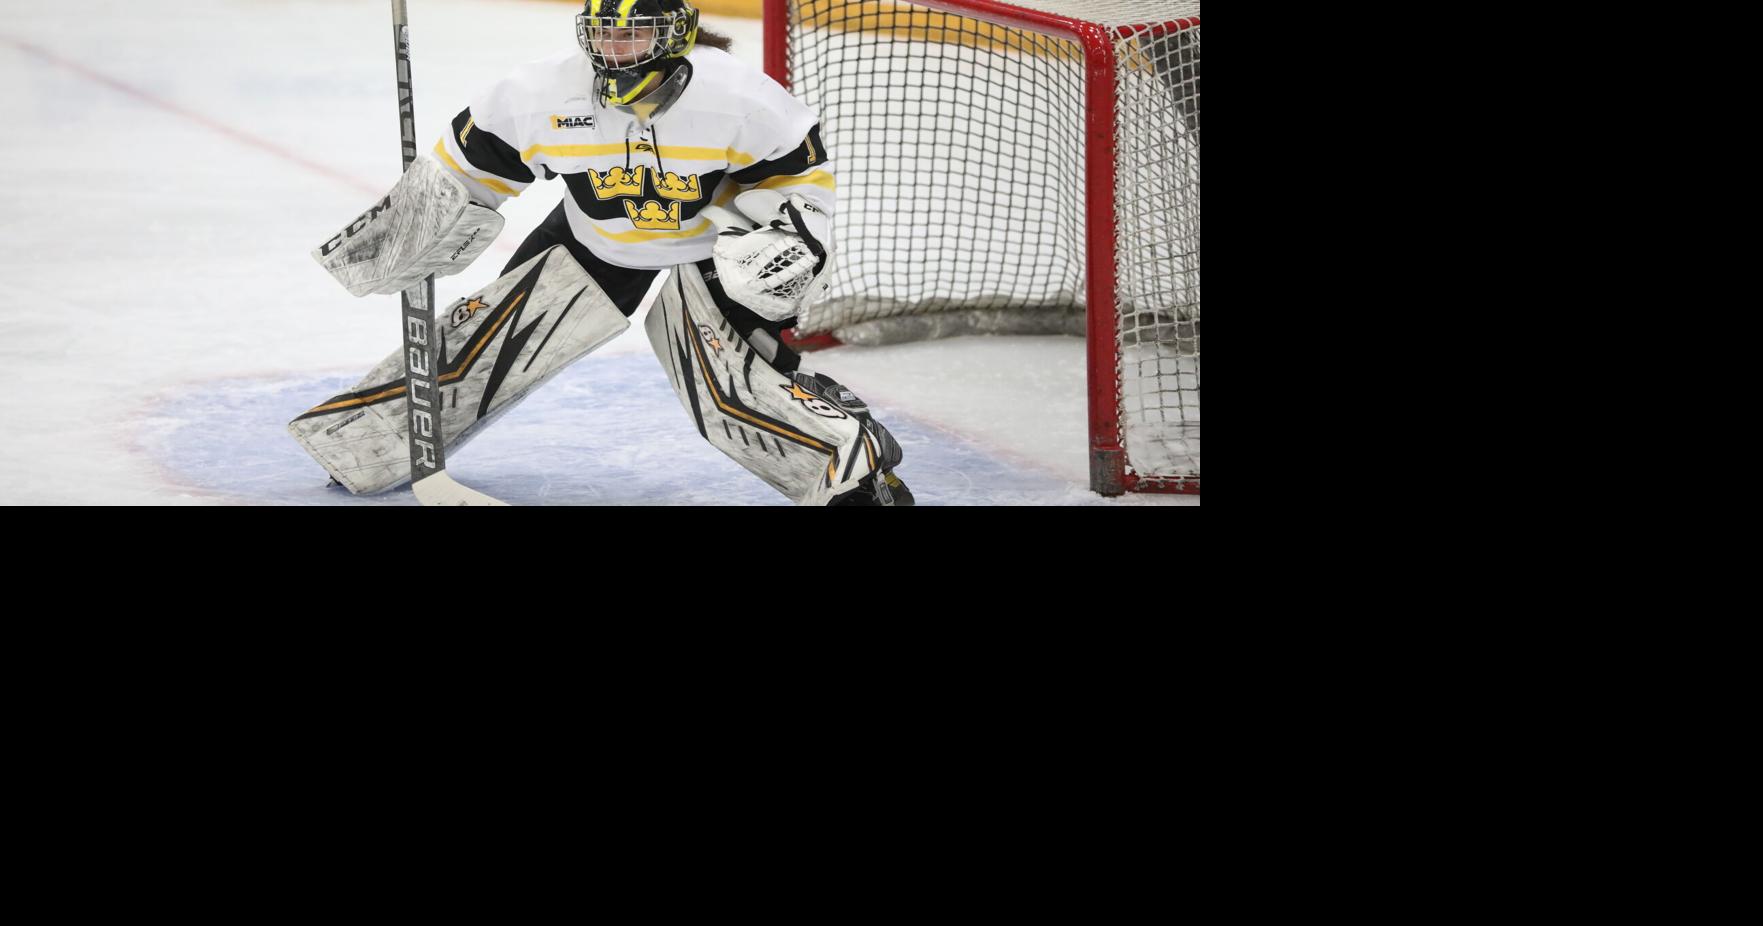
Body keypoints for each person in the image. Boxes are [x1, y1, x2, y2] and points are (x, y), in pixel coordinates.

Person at [291, 0, 912, 506]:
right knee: (487, 342)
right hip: (595, 239)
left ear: (676, 32)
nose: (615, 50)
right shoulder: (540, 93)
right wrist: (407, 231)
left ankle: (855, 473)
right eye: (604, 35)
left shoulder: (741, 100)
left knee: (732, 385)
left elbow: (798, 187)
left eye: (634, 34)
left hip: (709, 248)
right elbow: (460, 177)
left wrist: (785, 250)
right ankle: (365, 443)